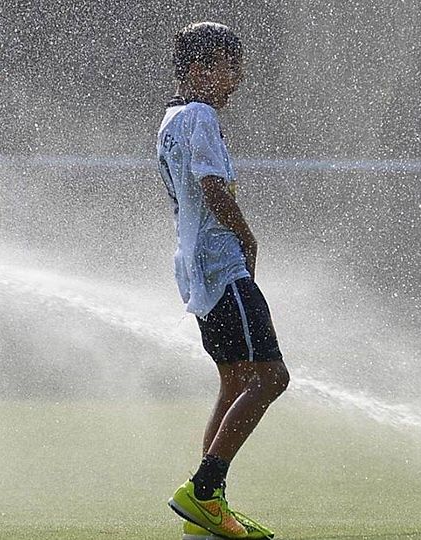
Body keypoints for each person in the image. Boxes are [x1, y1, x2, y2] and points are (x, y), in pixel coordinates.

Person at [156, 21, 289, 540]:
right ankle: (204, 490)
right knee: (272, 378)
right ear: (199, 69)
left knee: (234, 381)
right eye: (229, 68)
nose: (236, 80)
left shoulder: (170, 121)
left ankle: (207, 510)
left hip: (194, 270)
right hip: (221, 265)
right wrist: (248, 238)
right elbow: (212, 187)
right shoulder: (201, 115)